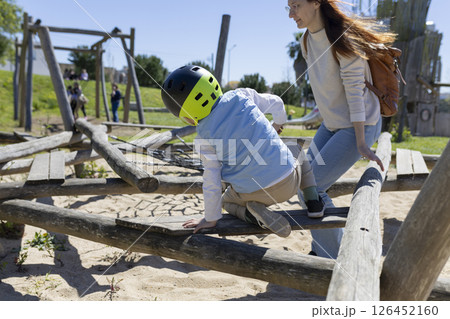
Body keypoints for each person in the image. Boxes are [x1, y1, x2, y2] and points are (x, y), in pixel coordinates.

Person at [161, 65, 325, 238]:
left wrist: (210, 218)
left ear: (187, 117)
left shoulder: (202, 139)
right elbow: (277, 102)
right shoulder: (241, 95)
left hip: (254, 194)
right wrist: (278, 123)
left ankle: (251, 215)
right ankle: (313, 200)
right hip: (290, 182)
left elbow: (211, 180)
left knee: (226, 201)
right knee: (296, 149)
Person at [286, 0, 393, 257]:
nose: (291, 14)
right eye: (288, 7)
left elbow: (355, 93)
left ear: (315, 3)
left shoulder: (344, 39)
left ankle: (336, 256)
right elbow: (326, 89)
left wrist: (361, 143)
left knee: (314, 188)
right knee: (304, 186)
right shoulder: (306, 42)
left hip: (361, 125)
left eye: (296, 5)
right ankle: (329, 249)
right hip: (332, 124)